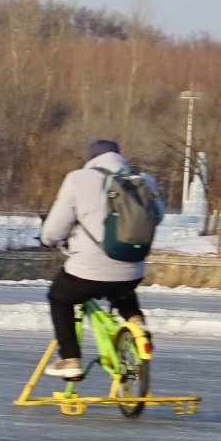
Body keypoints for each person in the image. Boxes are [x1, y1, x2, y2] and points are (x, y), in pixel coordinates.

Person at [39, 134, 163, 376]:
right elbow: (158, 215)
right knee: (123, 291)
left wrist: (47, 240)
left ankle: (70, 359)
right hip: (133, 267)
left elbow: (54, 229)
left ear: (90, 158)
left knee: (59, 297)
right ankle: (137, 324)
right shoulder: (143, 180)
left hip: (87, 271)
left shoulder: (78, 179)